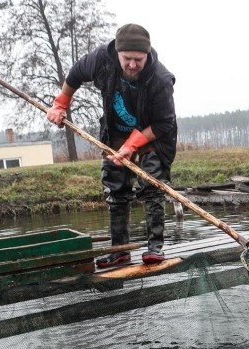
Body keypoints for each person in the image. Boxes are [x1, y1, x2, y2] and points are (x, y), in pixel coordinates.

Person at [46, 23, 176, 267]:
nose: (133, 64)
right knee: (115, 188)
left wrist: (133, 145)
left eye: (139, 59)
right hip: (116, 130)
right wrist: (61, 103)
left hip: (152, 135)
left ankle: (155, 248)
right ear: (117, 52)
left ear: (147, 55)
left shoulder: (160, 79)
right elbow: (74, 75)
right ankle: (120, 251)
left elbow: (163, 123)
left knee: (152, 186)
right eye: (128, 58)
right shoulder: (99, 60)